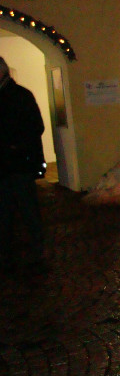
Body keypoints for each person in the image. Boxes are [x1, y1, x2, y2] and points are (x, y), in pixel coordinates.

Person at [0, 57, 46, 272]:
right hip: (6, 165)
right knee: (5, 212)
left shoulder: (20, 96)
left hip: (18, 164)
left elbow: (35, 127)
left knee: (27, 209)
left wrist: (14, 146)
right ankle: (7, 253)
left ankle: (37, 251)